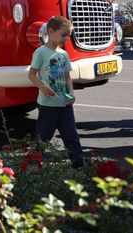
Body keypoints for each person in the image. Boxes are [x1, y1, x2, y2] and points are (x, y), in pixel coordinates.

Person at [28, 15, 84, 168]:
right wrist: (43, 88)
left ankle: (79, 165)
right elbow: (31, 75)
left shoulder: (64, 54)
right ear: (51, 32)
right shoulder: (41, 52)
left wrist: (71, 93)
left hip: (65, 103)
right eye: (63, 34)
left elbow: (67, 78)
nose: (66, 38)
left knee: (71, 135)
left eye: (69, 35)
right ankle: (32, 165)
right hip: (47, 105)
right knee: (43, 137)